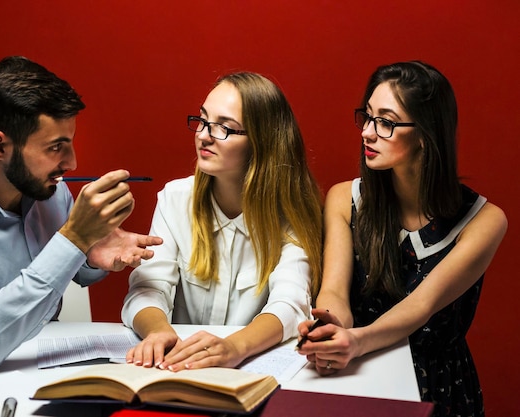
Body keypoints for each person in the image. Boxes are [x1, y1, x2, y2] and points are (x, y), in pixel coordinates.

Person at [0, 56, 163, 391]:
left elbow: (72, 268)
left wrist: (91, 255)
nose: (71, 163)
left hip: (53, 376)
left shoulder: (50, 191)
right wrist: (74, 239)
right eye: (55, 148)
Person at [296, 61, 507, 417]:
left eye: (386, 122)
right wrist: (331, 324)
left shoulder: (484, 220)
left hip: (436, 384)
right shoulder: (345, 199)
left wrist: (357, 341)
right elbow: (333, 288)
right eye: (367, 116)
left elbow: (419, 307)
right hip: (358, 370)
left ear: (426, 133)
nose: (366, 132)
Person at [121, 72, 323, 372]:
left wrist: (234, 347)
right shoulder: (176, 199)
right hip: (176, 367)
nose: (203, 135)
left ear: (262, 142)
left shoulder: (291, 214)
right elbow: (148, 287)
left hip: (249, 371)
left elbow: (290, 303)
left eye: (224, 128)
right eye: (203, 121)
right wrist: (157, 330)